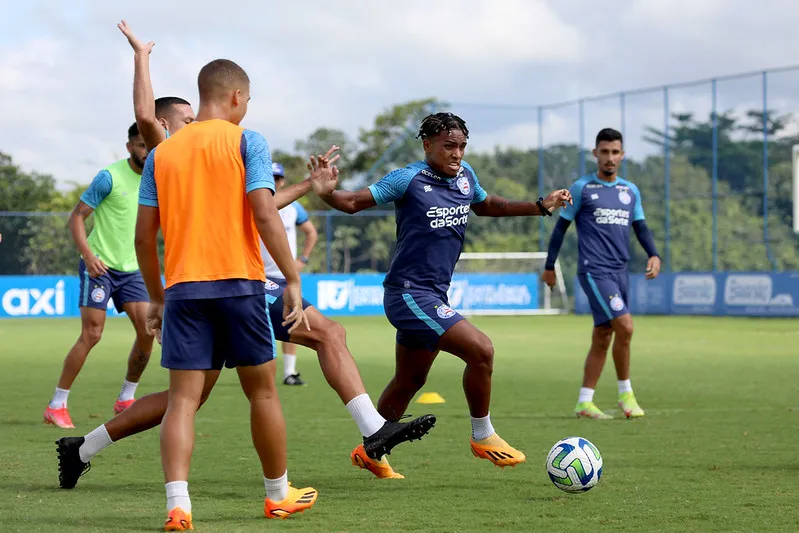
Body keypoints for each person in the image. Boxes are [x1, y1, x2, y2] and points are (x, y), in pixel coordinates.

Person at [308, 112, 572, 468]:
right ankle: (483, 435)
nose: (457, 153)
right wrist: (325, 193)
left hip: (433, 295)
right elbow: (353, 202)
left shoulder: (465, 177)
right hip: (408, 294)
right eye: (449, 146)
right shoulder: (407, 178)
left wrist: (540, 206)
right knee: (482, 351)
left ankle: (371, 450)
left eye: (462, 146)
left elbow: (487, 205)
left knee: (410, 379)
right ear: (427, 144)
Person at [133, 57, 323, 529]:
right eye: (249, 99)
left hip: (183, 290)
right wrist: (292, 278)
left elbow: (143, 237)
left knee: (182, 401)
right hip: (239, 285)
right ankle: (278, 495)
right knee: (261, 394)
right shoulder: (247, 140)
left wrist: (157, 297)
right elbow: (263, 213)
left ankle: (178, 506)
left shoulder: (162, 153)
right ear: (237, 96)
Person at [542, 128, 661, 420]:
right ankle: (626, 395)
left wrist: (654, 254)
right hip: (595, 271)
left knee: (604, 335)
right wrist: (549, 266)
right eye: (604, 152)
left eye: (615, 152)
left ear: (622, 155)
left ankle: (585, 401)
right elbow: (561, 228)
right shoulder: (583, 188)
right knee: (626, 327)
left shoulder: (630, 191)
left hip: (620, 271)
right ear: (595, 154)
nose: (610, 157)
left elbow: (640, 227)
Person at [43, 122, 154, 429]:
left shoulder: (158, 178)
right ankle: (56, 404)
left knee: (148, 332)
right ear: (130, 147)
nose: (146, 150)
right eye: (141, 145)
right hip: (100, 266)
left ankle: (126, 397)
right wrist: (89, 257)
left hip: (132, 269)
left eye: (150, 144)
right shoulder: (109, 177)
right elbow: (76, 217)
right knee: (92, 334)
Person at [261, 162, 319, 386]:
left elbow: (311, 233)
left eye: (278, 178)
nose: (275, 182)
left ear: (283, 181)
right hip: (260, 275)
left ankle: (289, 372)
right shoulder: (256, 202)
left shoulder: (294, 208)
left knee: (292, 321)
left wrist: (302, 259)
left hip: (286, 276)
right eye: (271, 178)